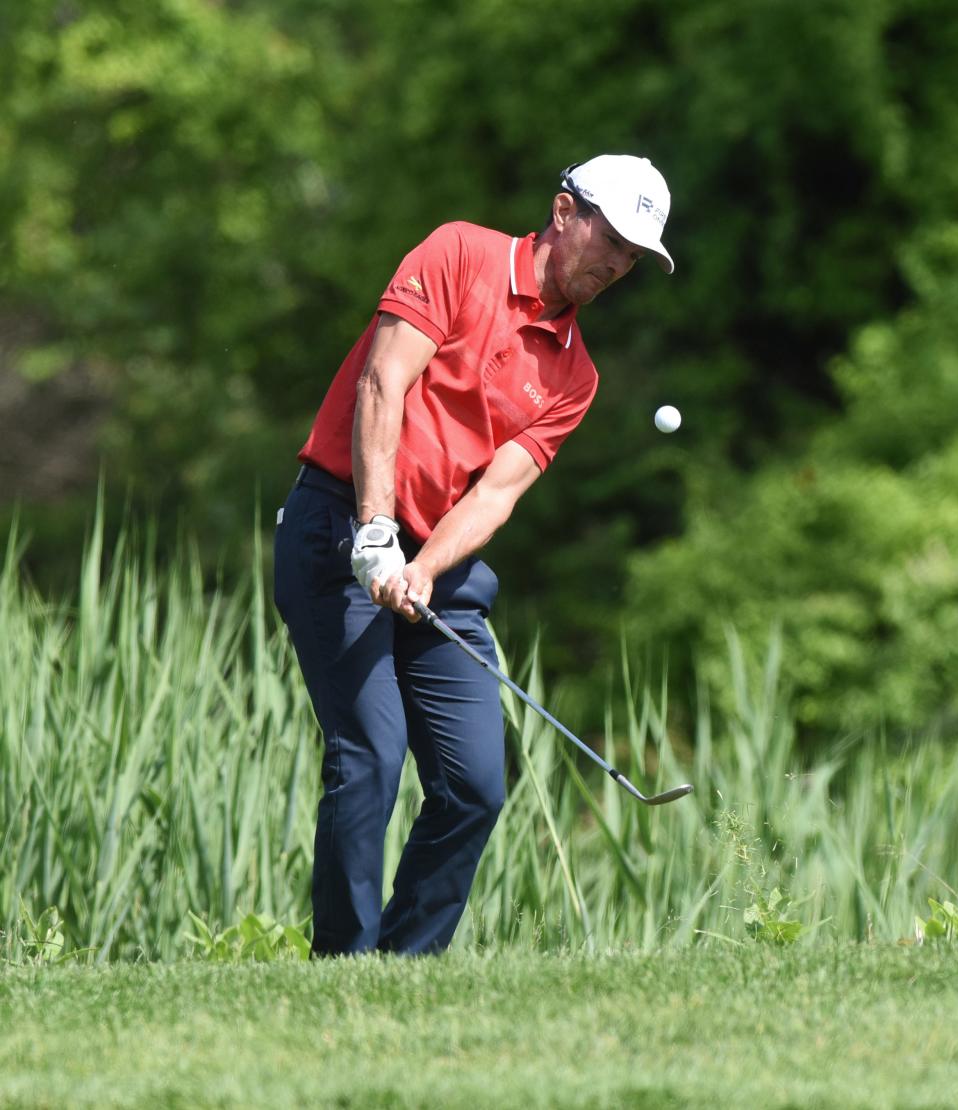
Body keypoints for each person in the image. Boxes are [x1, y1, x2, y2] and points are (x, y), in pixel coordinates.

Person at [274, 153, 675, 956]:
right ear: (565, 211)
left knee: (475, 785)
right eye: (612, 238)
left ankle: (403, 968)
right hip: (338, 526)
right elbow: (383, 382)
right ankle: (341, 968)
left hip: (439, 566)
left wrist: (422, 569)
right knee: (372, 754)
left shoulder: (575, 376)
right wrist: (377, 531)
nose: (617, 264)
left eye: (634, 255)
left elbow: (496, 494)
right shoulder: (460, 253)